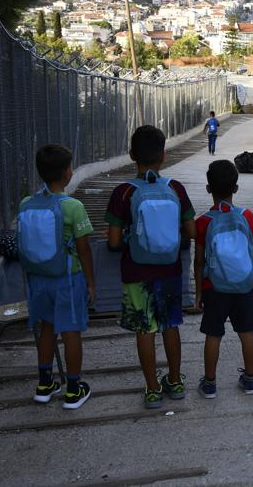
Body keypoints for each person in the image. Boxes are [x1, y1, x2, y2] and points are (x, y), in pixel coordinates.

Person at [106, 125, 196, 409]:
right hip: (169, 269)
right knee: (170, 325)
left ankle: (153, 388)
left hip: (136, 272)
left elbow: (113, 240)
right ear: (164, 156)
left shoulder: (123, 192)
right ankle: (176, 381)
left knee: (144, 330)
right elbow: (191, 231)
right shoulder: (175, 189)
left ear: (132, 154)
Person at [21, 144, 96, 409]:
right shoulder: (73, 207)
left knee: (47, 329)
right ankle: (74, 390)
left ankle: (44, 384)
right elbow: (84, 250)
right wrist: (90, 283)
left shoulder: (26, 204)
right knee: (71, 331)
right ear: (67, 173)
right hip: (67, 279)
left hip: (39, 279)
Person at [194, 160, 253, 398]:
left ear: (208, 188)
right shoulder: (249, 216)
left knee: (214, 335)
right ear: (236, 188)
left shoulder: (203, 222)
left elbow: (199, 260)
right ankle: (250, 380)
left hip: (215, 286)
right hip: (245, 285)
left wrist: (199, 292)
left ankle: (210, 383)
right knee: (247, 333)